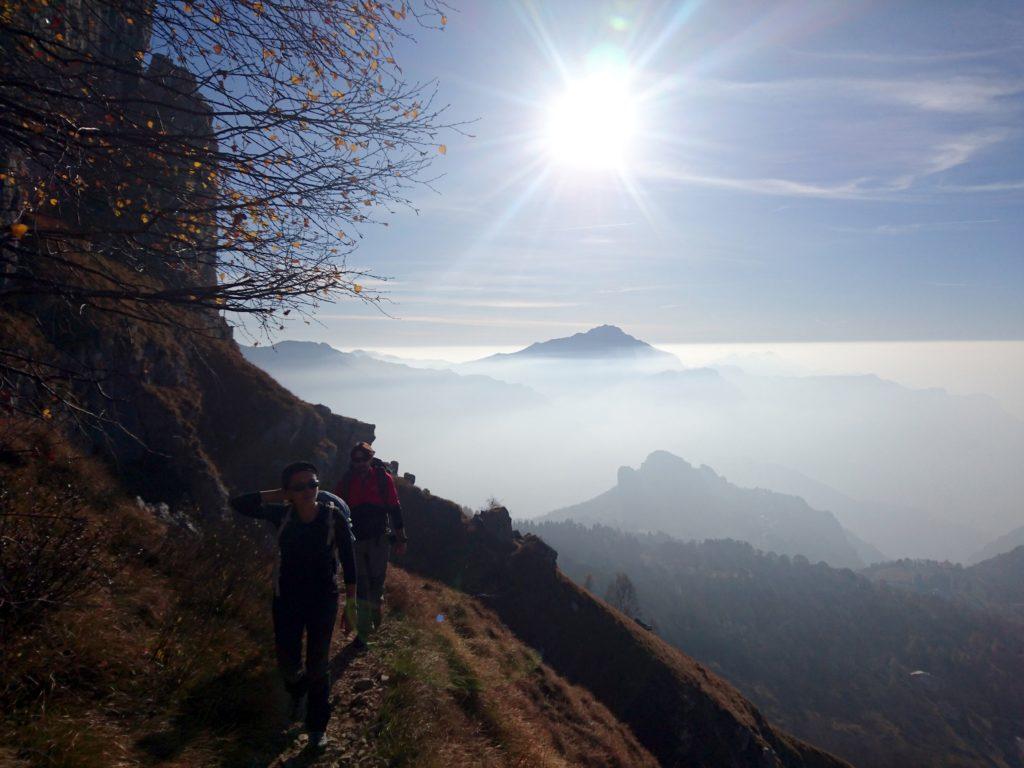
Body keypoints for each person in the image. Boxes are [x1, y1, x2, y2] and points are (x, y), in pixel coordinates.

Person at [230, 461, 357, 750]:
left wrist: (351, 606)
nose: (308, 491)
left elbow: (349, 563)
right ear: (289, 491)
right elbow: (239, 503)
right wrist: (280, 494)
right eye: (300, 487)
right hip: (286, 598)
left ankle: (316, 727)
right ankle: (296, 689)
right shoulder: (282, 514)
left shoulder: (332, 517)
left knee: (318, 664)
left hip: (322, 600)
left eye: (312, 484)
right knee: (287, 660)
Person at [333, 442, 407, 646]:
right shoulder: (347, 482)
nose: (359, 464)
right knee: (361, 584)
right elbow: (336, 511)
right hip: (355, 541)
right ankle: (364, 632)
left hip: (379, 541)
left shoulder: (383, 479)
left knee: (375, 582)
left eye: (363, 459)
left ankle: (375, 609)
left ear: (370, 458)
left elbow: (394, 509)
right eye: (355, 460)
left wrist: (401, 538)